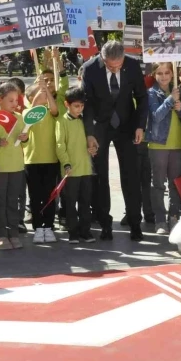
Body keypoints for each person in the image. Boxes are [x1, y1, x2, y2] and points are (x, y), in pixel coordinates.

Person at [82, 40, 148, 241]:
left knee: (131, 174)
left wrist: (140, 126)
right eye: (110, 66)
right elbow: (87, 103)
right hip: (100, 126)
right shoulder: (90, 68)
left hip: (126, 125)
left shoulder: (133, 65)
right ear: (103, 58)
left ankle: (135, 222)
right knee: (100, 176)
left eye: (118, 65)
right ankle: (105, 223)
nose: (115, 68)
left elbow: (142, 97)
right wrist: (90, 133)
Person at [23, 67, 68, 244]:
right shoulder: (28, 113)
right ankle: (38, 227)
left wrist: (47, 91)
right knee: (35, 197)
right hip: (32, 160)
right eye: (39, 93)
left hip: (51, 160)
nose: (43, 94)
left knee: (50, 196)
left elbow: (55, 109)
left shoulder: (51, 113)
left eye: (46, 93)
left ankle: (48, 227)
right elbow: (31, 112)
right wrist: (38, 91)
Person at [0, 81, 27, 249]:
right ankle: (0, 234)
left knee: (13, 201)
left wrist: (25, 139)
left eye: (16, 100)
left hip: (17, 167)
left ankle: (13, 233)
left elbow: (25, 144)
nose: (15, 104)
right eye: (11, 100)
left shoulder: (19, 118)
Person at [146, 63, 181, 235]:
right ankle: (160, 219)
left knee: (175, 184)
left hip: (178, 144)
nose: (164, 76)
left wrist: (180, 109)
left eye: (167, 72)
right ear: (154, 75)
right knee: (158, 184)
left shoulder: (180, 92)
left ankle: (174, 216)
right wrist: (170, 100)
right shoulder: (151, 93)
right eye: (160, 73)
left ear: (172, 74)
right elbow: (156, 116)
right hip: (158, 144)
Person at [56, 87, 96, 243]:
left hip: (86, 168)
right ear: (67, 104)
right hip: (70, 170)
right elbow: (60, 145)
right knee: (70, 203)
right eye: (76, 106)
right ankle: (73, 232)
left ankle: (85, 231)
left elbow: (91, 141)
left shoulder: (85, 120)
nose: (80, 109)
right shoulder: (62, 122)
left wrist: (93, 148)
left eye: (82, 106)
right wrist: (66, 164)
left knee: (86, 202)